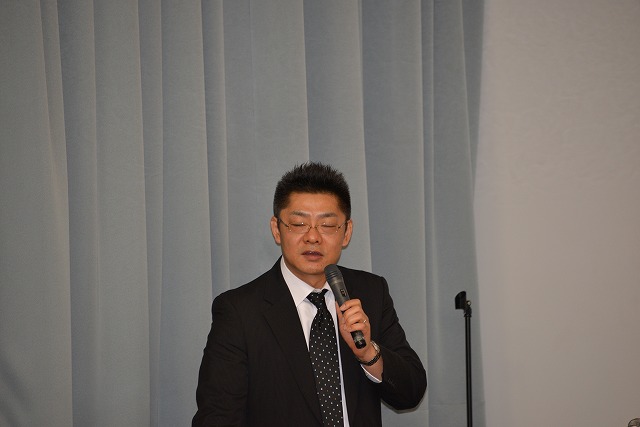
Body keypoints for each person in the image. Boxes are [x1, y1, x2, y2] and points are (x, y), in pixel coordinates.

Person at [193, 162, 426, 427]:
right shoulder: (239, 311)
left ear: (346, 232)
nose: (312, 237)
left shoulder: (371, 292)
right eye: (298, 223)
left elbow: (411, 392)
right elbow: (217, 417)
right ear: (276, 229)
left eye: (327, 225)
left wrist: (368, 353)